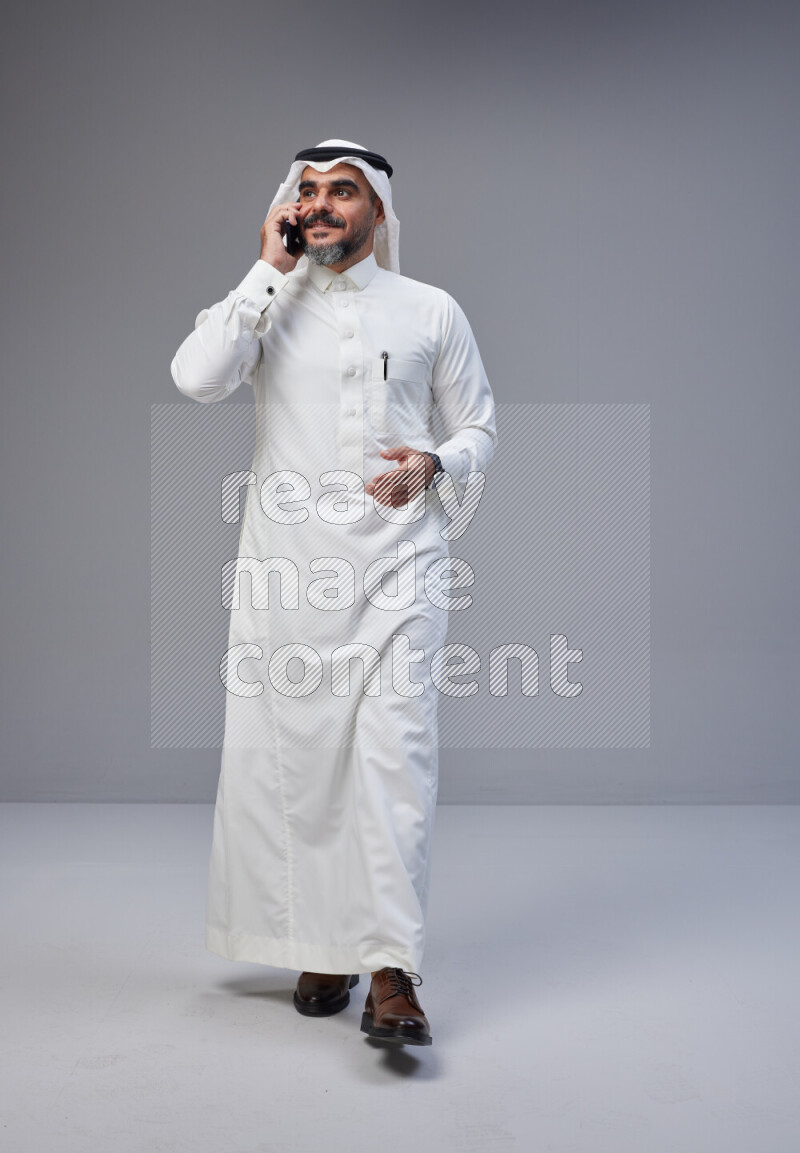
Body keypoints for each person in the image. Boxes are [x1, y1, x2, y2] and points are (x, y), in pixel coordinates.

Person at [170, 139, 497, 1047]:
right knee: (304, 763)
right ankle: (323, 942)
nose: (320, 205)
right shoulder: (265, 303)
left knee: (396, 761)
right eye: (305, 192)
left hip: (403, 567)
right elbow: (196, 377)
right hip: (291, 572)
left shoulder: (430, 308)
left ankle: (392, 968)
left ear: (379, 211)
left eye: (341, 192)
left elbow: (480, 426)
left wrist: (432, 465)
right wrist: (264, 270)